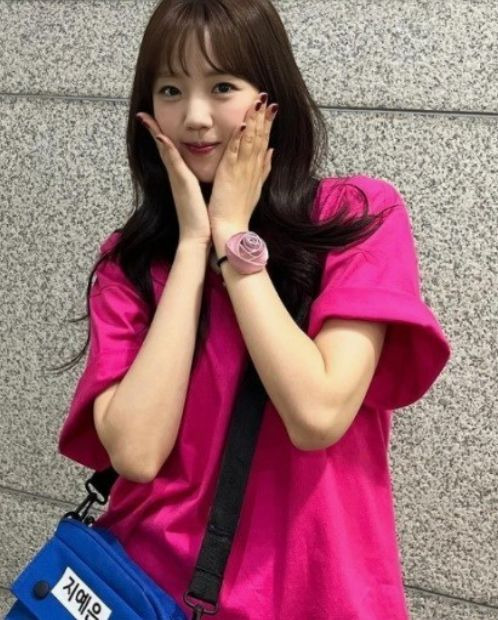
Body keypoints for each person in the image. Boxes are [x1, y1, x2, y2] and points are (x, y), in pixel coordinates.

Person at [54, 0, 452, 617]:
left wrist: (234, 237)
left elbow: (316, 413)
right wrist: (194, 244)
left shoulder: (354, 219)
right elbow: (135, 452)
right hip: (149, 590)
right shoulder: (129, 262)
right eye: (170, 90)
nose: (195, 117)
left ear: (271, 97)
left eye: (222, 87)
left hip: (314, 593)